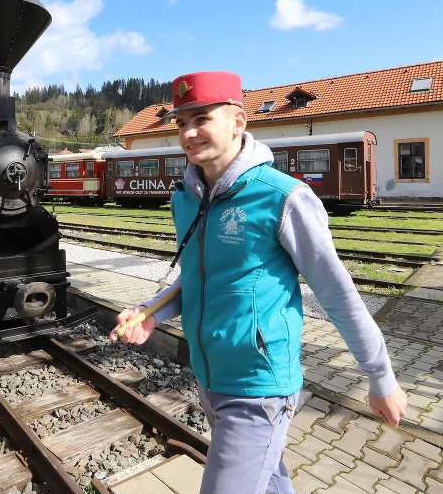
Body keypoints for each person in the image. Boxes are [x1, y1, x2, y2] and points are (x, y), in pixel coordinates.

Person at [110, 71, 407, 494]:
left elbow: (336, 291)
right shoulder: (184, 197)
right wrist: (153, 311)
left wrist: (380, 377)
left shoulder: (284, 197)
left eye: (201, 118)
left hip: (259, 385)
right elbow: (199, 277)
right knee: (267, 482)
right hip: (208, 375)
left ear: (238, 121)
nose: (189, 133)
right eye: (180, 123)